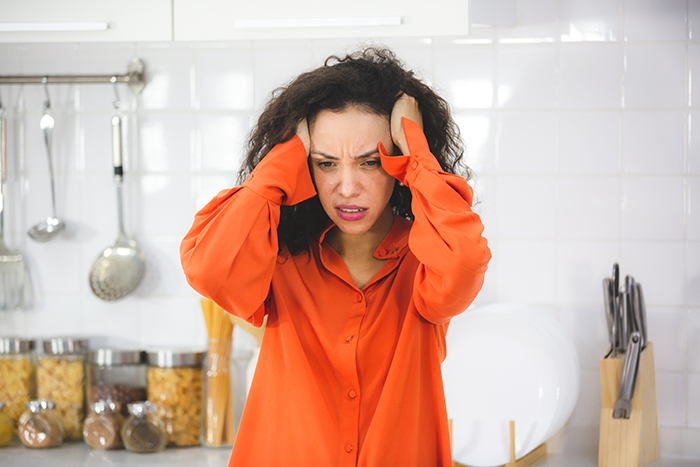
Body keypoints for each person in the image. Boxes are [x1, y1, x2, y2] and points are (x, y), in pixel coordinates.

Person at [180, 47, 491, 467]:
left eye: (370, 163)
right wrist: (283, 158)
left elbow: (465, 263)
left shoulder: (427, 258)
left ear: (396, 163)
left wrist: (418, 155)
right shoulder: (279, 258)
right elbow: (208, 269)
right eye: (326, 164)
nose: (347, 187)